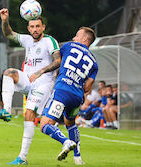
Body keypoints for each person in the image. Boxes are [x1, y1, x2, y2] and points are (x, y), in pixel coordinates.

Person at [0, 8, 60, 164]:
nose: (35, 29)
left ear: (43, 27)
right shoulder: (27, 39)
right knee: (8, 72)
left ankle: (22, 157)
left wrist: (41, 71)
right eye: (32, 27)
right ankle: (6, 111)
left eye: (38, 26)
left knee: (29, 115)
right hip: (29, 79)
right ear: (28, 28)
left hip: (43, 83)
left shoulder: (49, 41)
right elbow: (8, 33)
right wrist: (4, 20)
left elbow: (58, 61)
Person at [40, 27, 98, 165]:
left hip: (62, 91)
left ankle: (66, 142)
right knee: (70, 123)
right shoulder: (94, 63)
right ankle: (78, 157)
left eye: (77, 36)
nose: (74, 38)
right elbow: (88, 87)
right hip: (77, 97)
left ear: (84, 40)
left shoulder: (69, 46)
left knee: (44, 125)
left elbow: (57, 60)